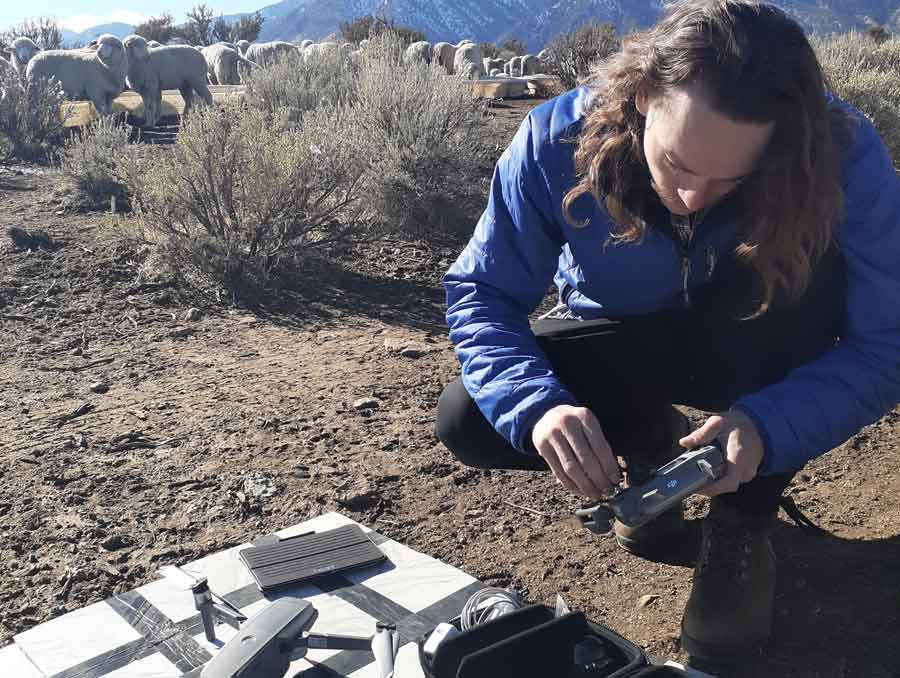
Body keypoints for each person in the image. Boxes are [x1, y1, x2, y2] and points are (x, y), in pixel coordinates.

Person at [434, 0, 900, 663]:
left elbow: (887, 343)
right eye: (677, 166)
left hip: (760, 341)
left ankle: (742, 520)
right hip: (624, 334)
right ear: (645, 93)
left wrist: (768, 429)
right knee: (468, 417)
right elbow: (481, 292)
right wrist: (537, 408)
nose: (689, 197)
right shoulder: (553, 140)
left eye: (730, 180)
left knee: (801, 299)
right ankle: (653, 440)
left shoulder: (840, 153)